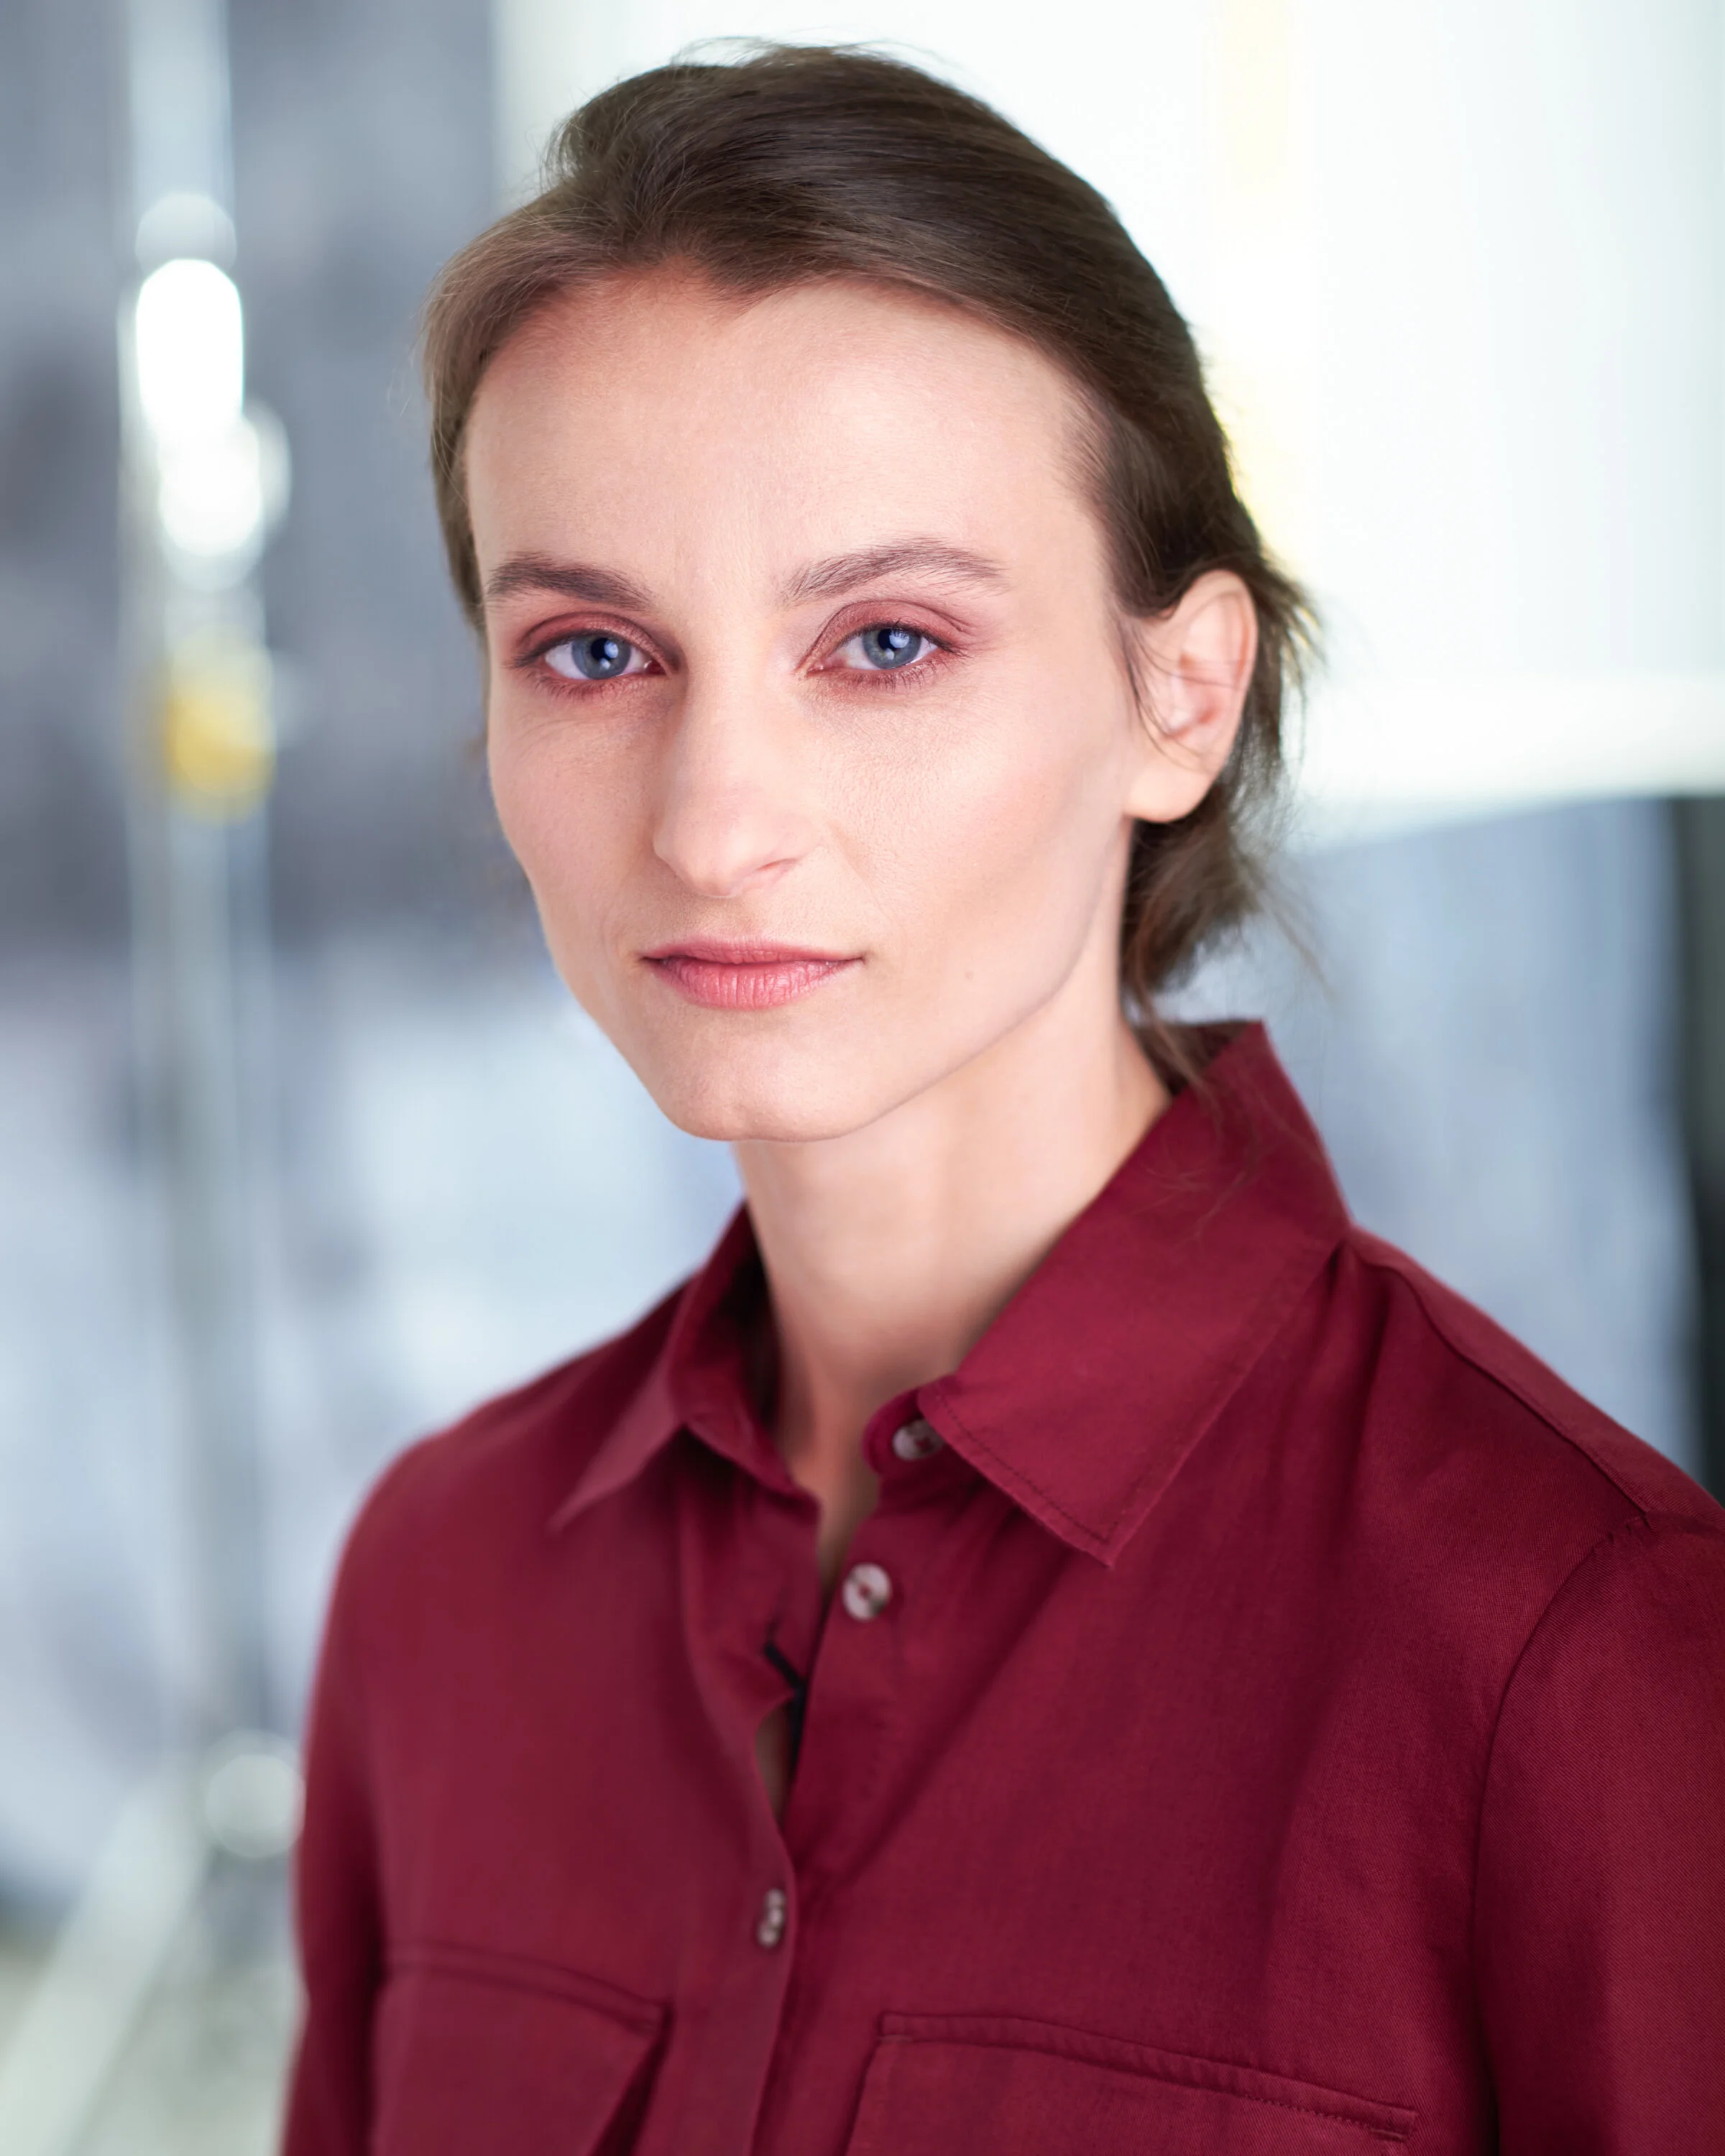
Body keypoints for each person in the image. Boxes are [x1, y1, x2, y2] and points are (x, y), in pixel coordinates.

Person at [284, 45, 1725, 2156]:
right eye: (594, 653)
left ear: (1181, 695)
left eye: (885, 643)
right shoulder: (443, 1585)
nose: (714, 823)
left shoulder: (1582, 1654)